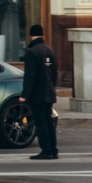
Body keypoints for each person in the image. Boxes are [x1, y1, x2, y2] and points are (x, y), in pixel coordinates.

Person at [22, 24, 59, 160]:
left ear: (31, 35)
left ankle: (46, 150)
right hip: (49, 92)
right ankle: (54, 150)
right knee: (49, 121)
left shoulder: (32, 52)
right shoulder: (49, 50)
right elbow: (55, 73)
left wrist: (24, 95)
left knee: (40, 122)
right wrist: (52, 88)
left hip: (38, 94)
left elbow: (30, 76)